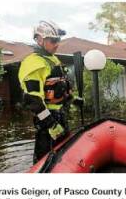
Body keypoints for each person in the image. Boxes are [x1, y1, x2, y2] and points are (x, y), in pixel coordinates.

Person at [17, 20, 81, 161]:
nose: (57, 44)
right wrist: (51, 124)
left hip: (61, 116)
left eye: (58, 40)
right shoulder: (33, 63)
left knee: (64, 157)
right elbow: (32, 100)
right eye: (53, 40)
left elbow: (59, 87)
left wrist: (73, 99)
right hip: (47, 122)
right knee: (45, 161)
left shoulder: (53, 60)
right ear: (40, 40)